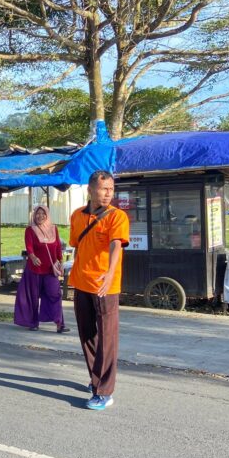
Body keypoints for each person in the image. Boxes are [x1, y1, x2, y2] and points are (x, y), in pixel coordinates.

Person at [69, 170, 130, 411]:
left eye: (111, 189)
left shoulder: (117, 216)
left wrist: (110, 272)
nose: (108, 194)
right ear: (90, 190)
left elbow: (116, 245)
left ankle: (104, 392)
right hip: (81, 282)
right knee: (87, 335)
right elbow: (78, 246)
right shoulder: (77, 216)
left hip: (105, 286)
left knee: (107, 338)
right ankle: (96, 378)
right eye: (104, 189)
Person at [14, 205, 68, 333]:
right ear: (34, 215)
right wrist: (32, 256)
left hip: (50, 269)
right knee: (33, 297)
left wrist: (60, 262)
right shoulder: (30, 230)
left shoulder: (54, 229)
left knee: (55, 294)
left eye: (43, 214)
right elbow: (29, 246)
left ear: (47, 215)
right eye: (38, 213)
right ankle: (33, 323)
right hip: (35, 269)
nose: (40, 216)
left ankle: (59, 323)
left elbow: (58, 246)